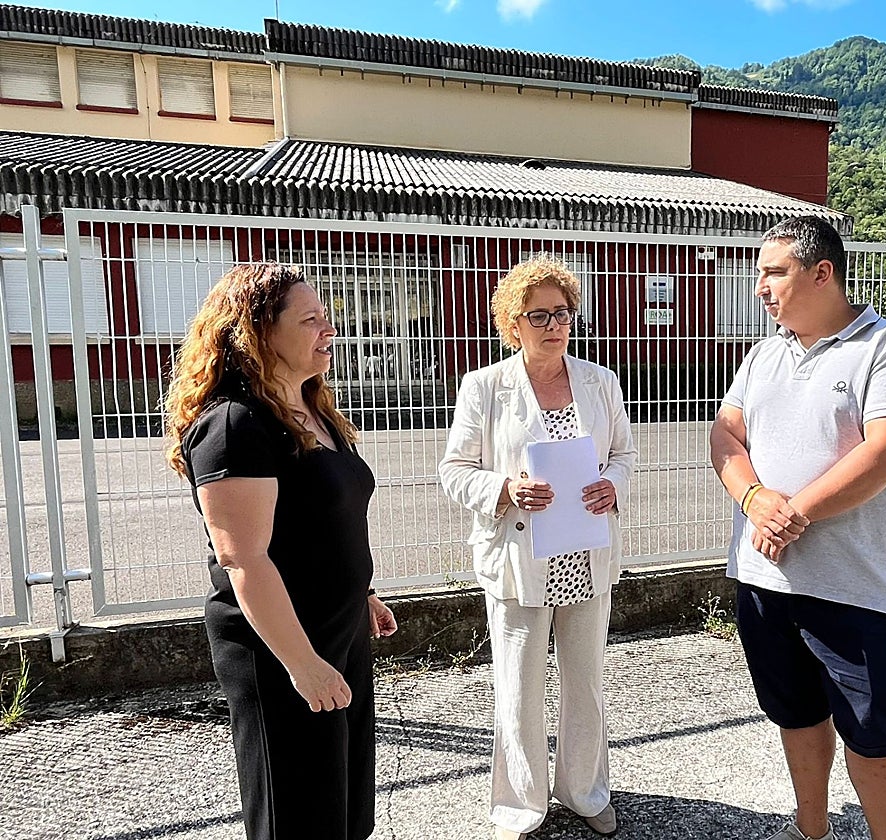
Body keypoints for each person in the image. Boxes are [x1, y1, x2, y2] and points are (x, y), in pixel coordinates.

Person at [709, 217, 886, 840]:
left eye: (773, 272)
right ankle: (812, 827)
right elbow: (727, 434)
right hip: (763, 578)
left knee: (873, 731)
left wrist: (795, 512)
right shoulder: (762, 356)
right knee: (796, 714)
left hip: (851, 584)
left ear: (822, 273)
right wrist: (754, 497)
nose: (760, 287)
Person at [164, 263, 397, 840]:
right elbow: (243, 558)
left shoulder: (314, 410)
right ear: (259, 332)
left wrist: (360, 592)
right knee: (296, 809)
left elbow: (324, 520)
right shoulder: (236, 426)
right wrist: (302, 664)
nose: (329, 330)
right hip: (280, 645)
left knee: (342, 806)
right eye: (310, 319)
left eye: (327, 317)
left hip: (336, 629)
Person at [438, 256, 637, 840]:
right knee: (519, 689)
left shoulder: (600, 381)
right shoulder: (485, 386)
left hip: (585, 552)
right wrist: (505, 488)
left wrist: (613, 484)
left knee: (586, 682)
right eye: (540, 314)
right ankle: (520, 805)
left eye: (564, 312)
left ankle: (584, 791)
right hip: (520, 559)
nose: (556, 324)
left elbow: (623, 454)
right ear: (512, 323)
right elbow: (453, 469)